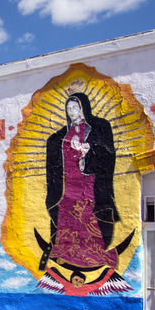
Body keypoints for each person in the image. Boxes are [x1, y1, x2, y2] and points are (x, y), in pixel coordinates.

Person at [44, 92, 119, 269]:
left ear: (82, 109)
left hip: (86, 182)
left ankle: (92, 255)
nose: (71, 111)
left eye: (75, 107)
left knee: (87, 216)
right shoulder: (62, 135)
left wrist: (88, 150)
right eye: (68, 108)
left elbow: (107, 155)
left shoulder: (96, 129)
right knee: (66, 215)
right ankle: (65, 253)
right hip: (69, 182)